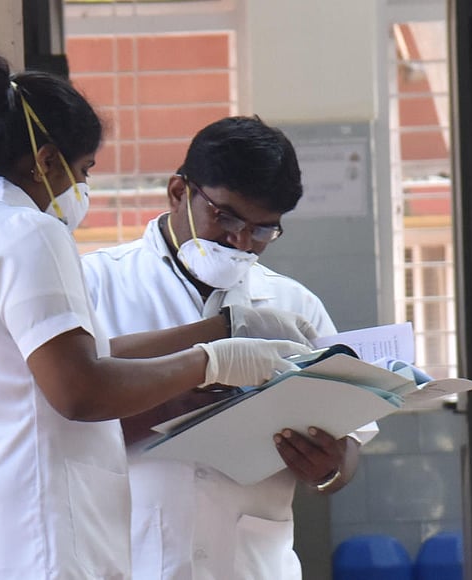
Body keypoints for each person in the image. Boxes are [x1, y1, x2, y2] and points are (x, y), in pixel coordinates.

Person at [0, 54, 313, 580]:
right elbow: (82, 389)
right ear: (46, 162)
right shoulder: (30, 232)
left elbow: (77, 357)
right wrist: (212, 361)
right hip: (33, 541)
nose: (83, 187)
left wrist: (223, 331)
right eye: (84, 170)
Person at [81, 116, 378, 579]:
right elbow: (63, 416)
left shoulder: (294, 305)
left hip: (252, 565)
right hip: (130, 560)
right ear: (178, 192)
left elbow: (350, 444)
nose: (241, 241)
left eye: (263, 230)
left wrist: (328, 469)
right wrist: (183, 395)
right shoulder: (95, 285)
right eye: (227, 218)